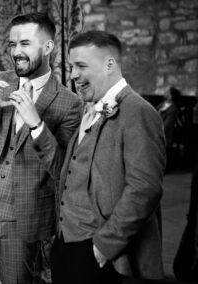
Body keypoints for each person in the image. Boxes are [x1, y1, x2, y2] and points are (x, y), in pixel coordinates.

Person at [0, 12, 82, 283]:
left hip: (22, 219)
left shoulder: (70, 103)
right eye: (12, 45)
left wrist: (37, 126)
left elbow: (63, 170)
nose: (16, 52)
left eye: (25, 44)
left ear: (48, 48)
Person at [33, 30, 166, 283]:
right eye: (71, 66)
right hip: (66, 242)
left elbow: (145, 189)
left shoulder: (139, 112)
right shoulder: (89, 107)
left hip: (102, 252)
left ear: (109, 65)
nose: (72, 75)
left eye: (81, 66)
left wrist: (103, 247)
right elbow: (69, 170)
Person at [157, 86, 182, 172]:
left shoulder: (173, 109)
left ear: (171, 96)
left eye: (167, 92)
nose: (165, 93)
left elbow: (166, 126)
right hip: (155, 132)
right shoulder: (161, 105)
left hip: (164, 136)